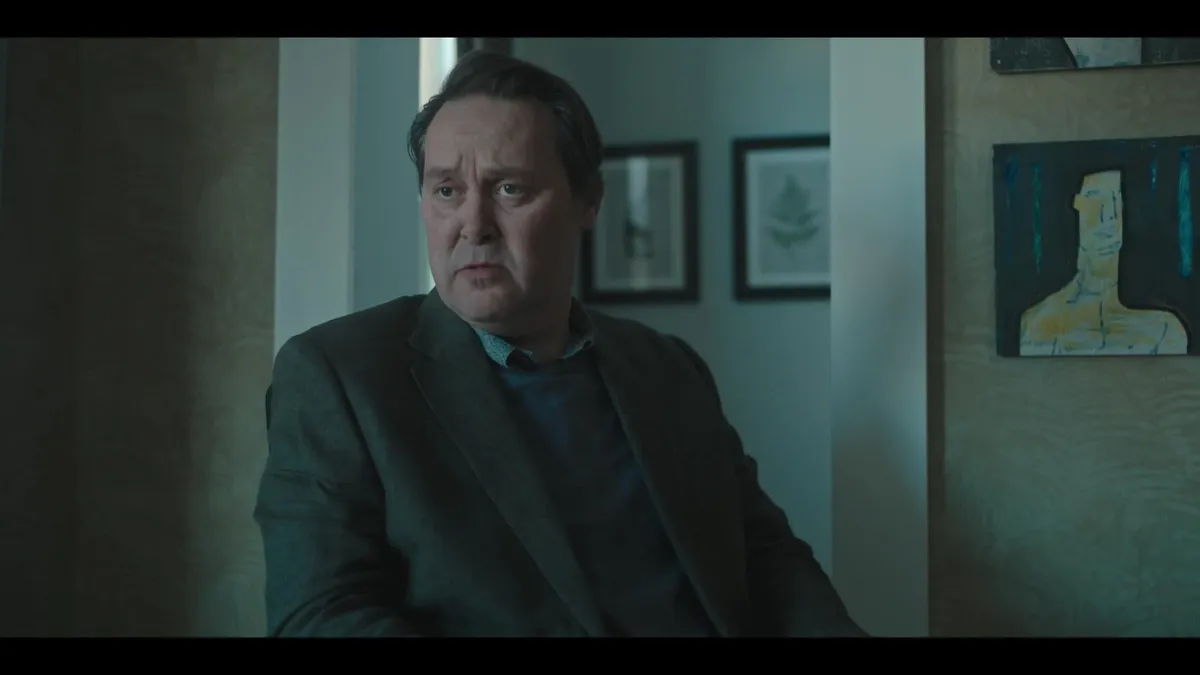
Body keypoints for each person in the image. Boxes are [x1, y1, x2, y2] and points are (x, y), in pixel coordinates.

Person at [254, 49, 867, 638]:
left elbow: (766, 558)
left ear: (588, 201)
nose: (473, 226)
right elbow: (320, 615)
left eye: (509, 189)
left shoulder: (667, 369)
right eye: (447, 191)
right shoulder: (342, 378)